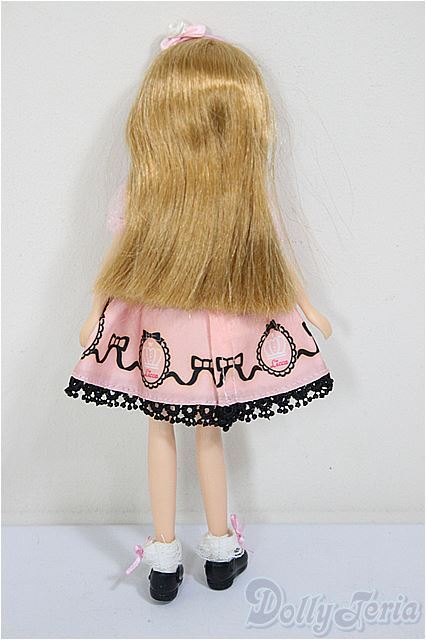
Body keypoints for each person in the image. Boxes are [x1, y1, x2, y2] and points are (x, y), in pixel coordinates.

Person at [65, 22, 334, 602]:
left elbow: (124, 251)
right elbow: (274, 249)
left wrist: (97, 311)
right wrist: (307, 308)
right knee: (208, 431)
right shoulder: (190, 191)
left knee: (161, 428)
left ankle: (167, 556)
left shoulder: (159, 190)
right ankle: (217, 548)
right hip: (211, 337)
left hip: (161, 337)